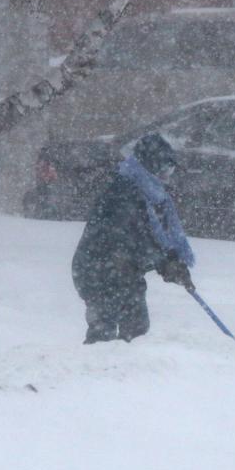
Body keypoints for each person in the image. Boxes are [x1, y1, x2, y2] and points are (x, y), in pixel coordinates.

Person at [72, 133, 196, 344]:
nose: (168, 176)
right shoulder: (123, 193)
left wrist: (172, 261)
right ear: (151, 166)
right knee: (104, 331)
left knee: (137, 329)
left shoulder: (149, 194)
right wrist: (163, 263)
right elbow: (129, 240)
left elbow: (152, 239)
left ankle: (129, 373)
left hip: (124, 272)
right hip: (98, 270)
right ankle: (92, 372)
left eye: (171, 170)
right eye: (165, 169)